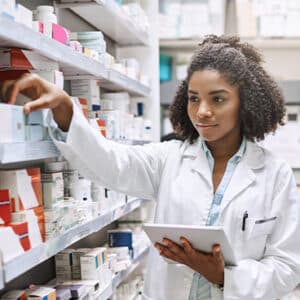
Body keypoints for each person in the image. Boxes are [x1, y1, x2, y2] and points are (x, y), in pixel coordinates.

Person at [1, 35, 300, 300]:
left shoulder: (274, 174)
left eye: (218, 99)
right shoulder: (169, 158)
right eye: (194, 99)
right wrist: (66, 110)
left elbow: (287, 267)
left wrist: (222, 275)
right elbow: (111, 163)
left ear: (244, 102)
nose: (202, 111)